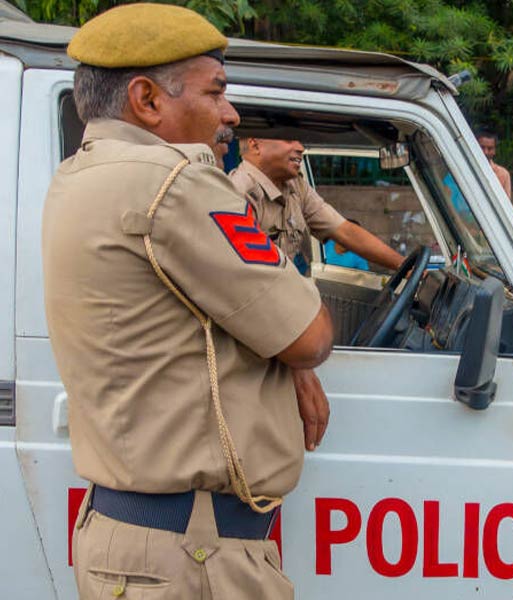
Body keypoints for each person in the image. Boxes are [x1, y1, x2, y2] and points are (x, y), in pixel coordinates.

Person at [42, 5, 333, 598]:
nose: (230, 114)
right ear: (148, 99)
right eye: (217, 91)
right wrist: (296, 352)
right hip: (195, 556)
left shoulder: (76, 175)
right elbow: (311, 335)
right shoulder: (175, 183)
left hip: (135, 538)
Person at [229, 137, 404, 274]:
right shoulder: (239, 193)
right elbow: (248, 276)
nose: (300, 148)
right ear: (254, 145)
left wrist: (404, 266)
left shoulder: (295, 187)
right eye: (289, 140)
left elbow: (345, 231)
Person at [476, 130, 512, 199]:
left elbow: (506, 203)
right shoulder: (466, 168)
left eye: (490, 148)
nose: (485, 152)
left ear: (494, 150)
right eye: (482, 147)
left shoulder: (503, 174)